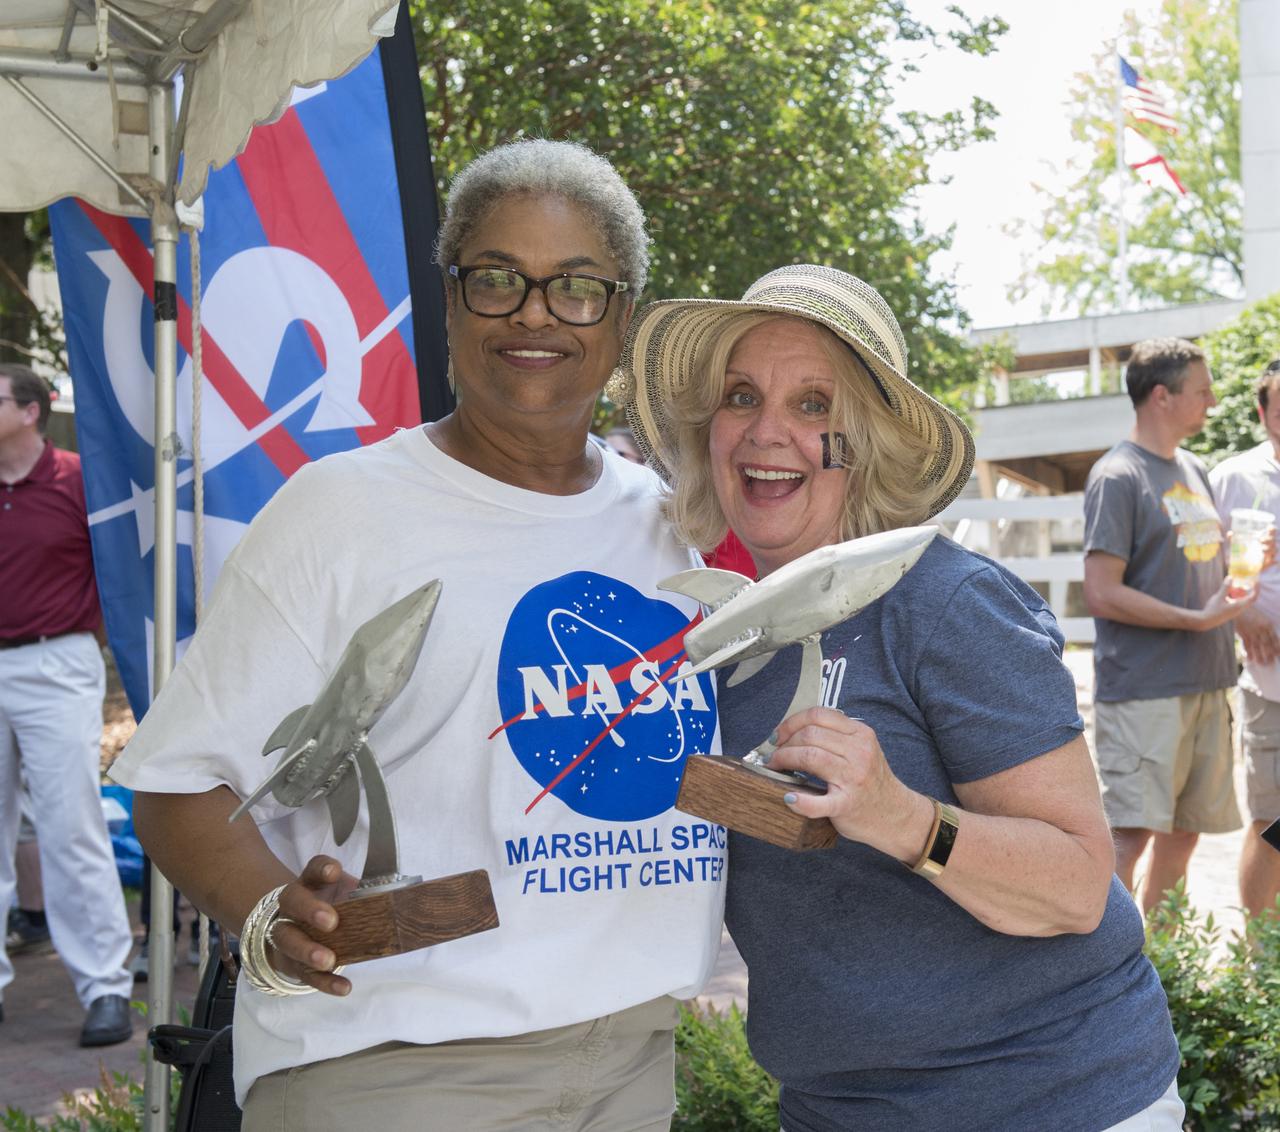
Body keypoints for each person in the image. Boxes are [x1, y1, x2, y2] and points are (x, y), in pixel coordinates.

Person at [110, 140, 724, 1130]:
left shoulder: (667, 528)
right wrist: (279, 921)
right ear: (448, 300)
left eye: (574, 286)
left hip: (626, 1063)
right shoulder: (343, 512)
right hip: (391, 1067)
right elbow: (175, 783)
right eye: (496, 279)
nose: (532, 311)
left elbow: (670, 779)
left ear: (622, 316)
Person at [622, 264, 1183, 1131]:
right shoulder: (711, 646)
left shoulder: (943, 601)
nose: (769, 432)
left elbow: (1076, 884)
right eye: (741, 397)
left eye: (815, 406)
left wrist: (903, 817)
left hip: (1055, 1102)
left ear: (866, 440)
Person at [1083, 337, 1253, 914]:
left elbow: (1193, 561)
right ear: (1161, 396)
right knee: (1130, 837)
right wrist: (1193, 620)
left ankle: (1165, 970)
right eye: (1201, 390)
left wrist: (1248, 563)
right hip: (1144, 691)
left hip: (1207, 682)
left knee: (1186, 832)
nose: (1211, 400)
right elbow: (1102, 593)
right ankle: (1110, 974)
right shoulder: (1118, 476)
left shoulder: (1193, 468)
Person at [0, 362, 134, 1046]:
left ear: (31, 411)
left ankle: (106, 986)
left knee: (71, 825)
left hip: (56, 659)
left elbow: (117, 569)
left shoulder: (78, 480)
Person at [1210, 358, 1280, 920]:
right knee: (1269, 818)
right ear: (1263, 412)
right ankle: (1258, 961)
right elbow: (1201, 561)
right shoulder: (1236, 475)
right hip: (1269, 680)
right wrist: (1243, 614)